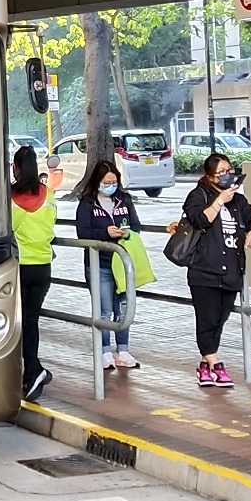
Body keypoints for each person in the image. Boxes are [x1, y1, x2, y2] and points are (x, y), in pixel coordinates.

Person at [171, 153, 251, 387]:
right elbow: (200, 220)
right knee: (207, 318)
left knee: (219, 320)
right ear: (209, 175)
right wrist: (219, 200)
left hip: (231, 269)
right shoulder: (198, 196)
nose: (227, 175)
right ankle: (216, 365)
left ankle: (204, 366)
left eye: (229, 170)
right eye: (220, 172)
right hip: (204, 269)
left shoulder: (239, 200)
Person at [73, 159, 142, 370]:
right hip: (100, 265)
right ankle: (104, 352)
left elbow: (136, 225)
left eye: (113, 181)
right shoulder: (87, 203)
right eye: (106, 182)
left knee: (122, 308)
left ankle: (123, 350)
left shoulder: (124, 200)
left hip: (122, 263)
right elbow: (82, 233)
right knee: (103, 311)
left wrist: (128, 231)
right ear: (97, 182)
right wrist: (105, 233)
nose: (110, 185)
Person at [9, 146, 56, 400]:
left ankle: (32, 370)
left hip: (18, 268)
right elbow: (51, 224)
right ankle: (33, 371)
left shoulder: (11, 199)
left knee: (19, 322)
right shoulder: (49, 195)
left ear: (15, 168)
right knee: (31, 320)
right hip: (43, 266)